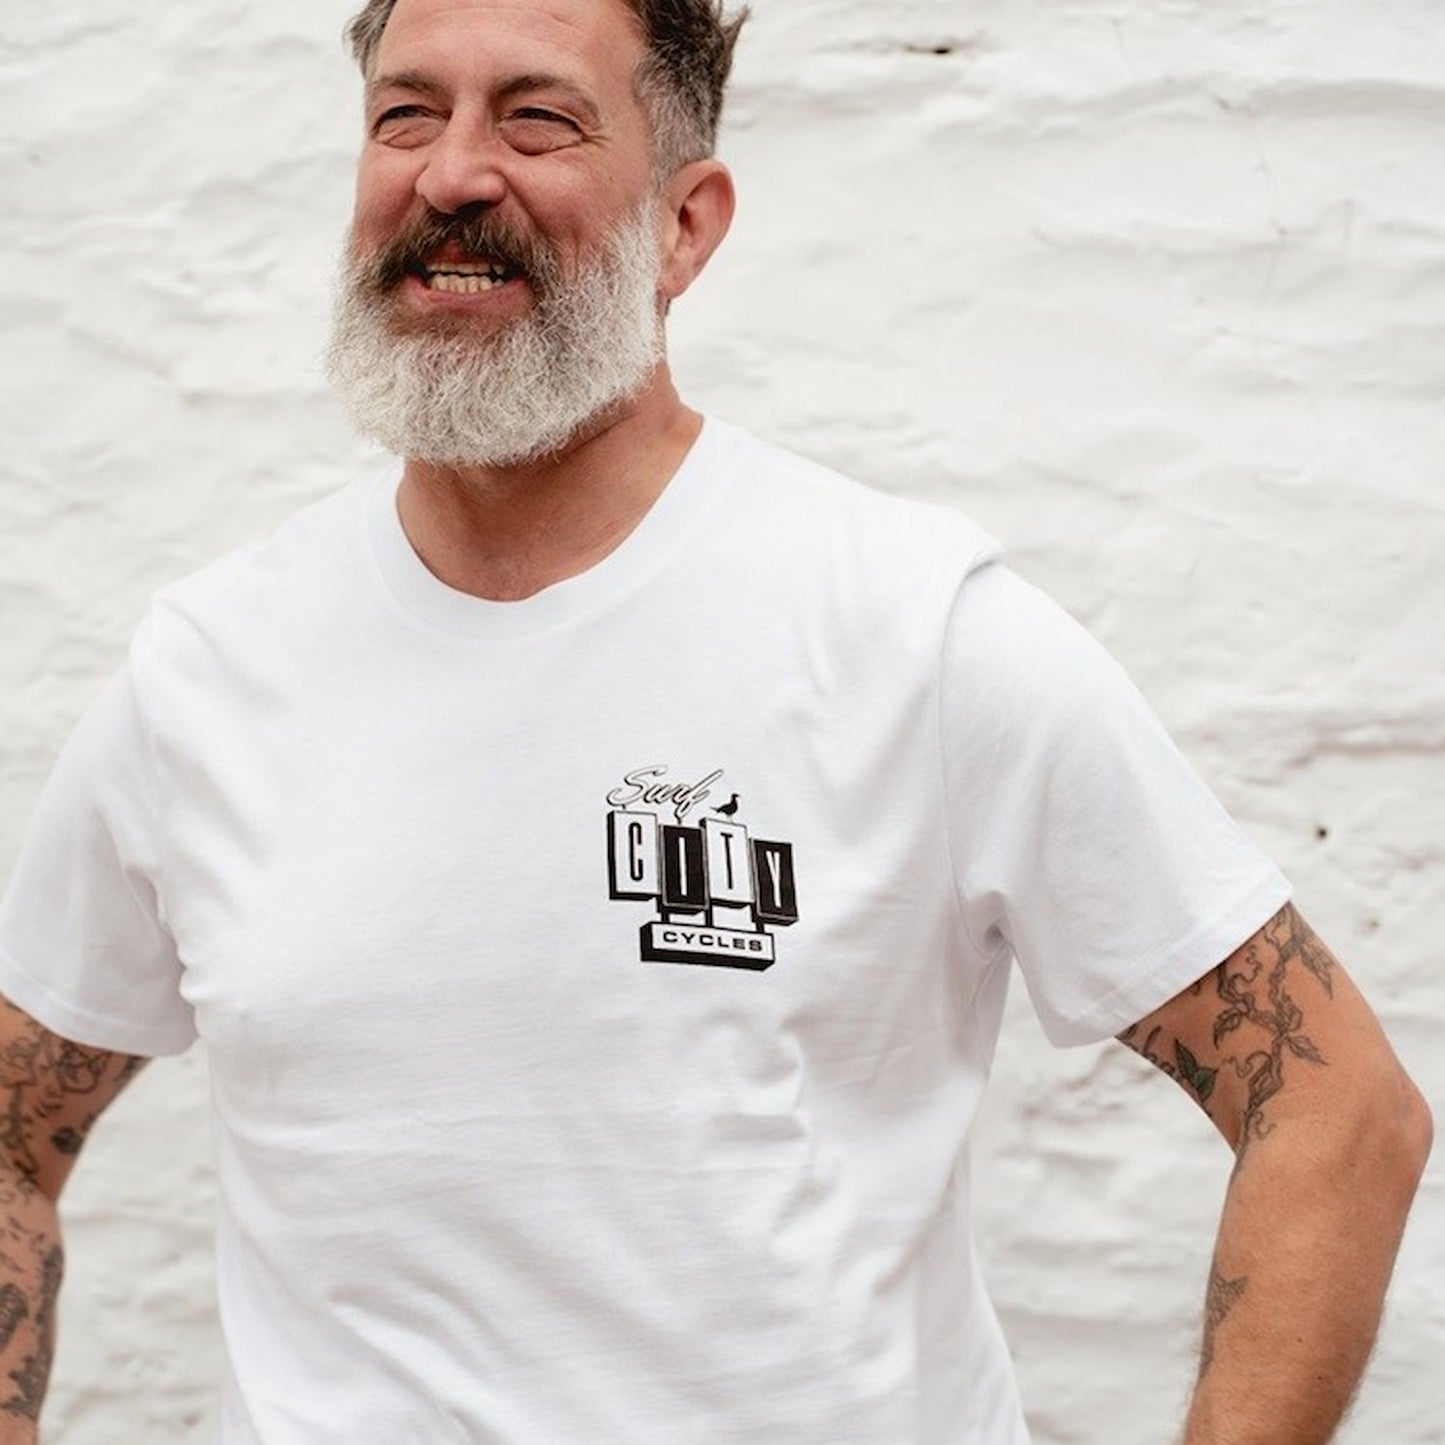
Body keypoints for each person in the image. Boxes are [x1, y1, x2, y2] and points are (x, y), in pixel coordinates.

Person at [0, 0, 1430, 1440]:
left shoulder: (912, 633)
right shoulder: (204, 672)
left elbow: (1336, 1111)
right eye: (405, 114)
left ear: (686, 225)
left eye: (537, 117)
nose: (450, 174)